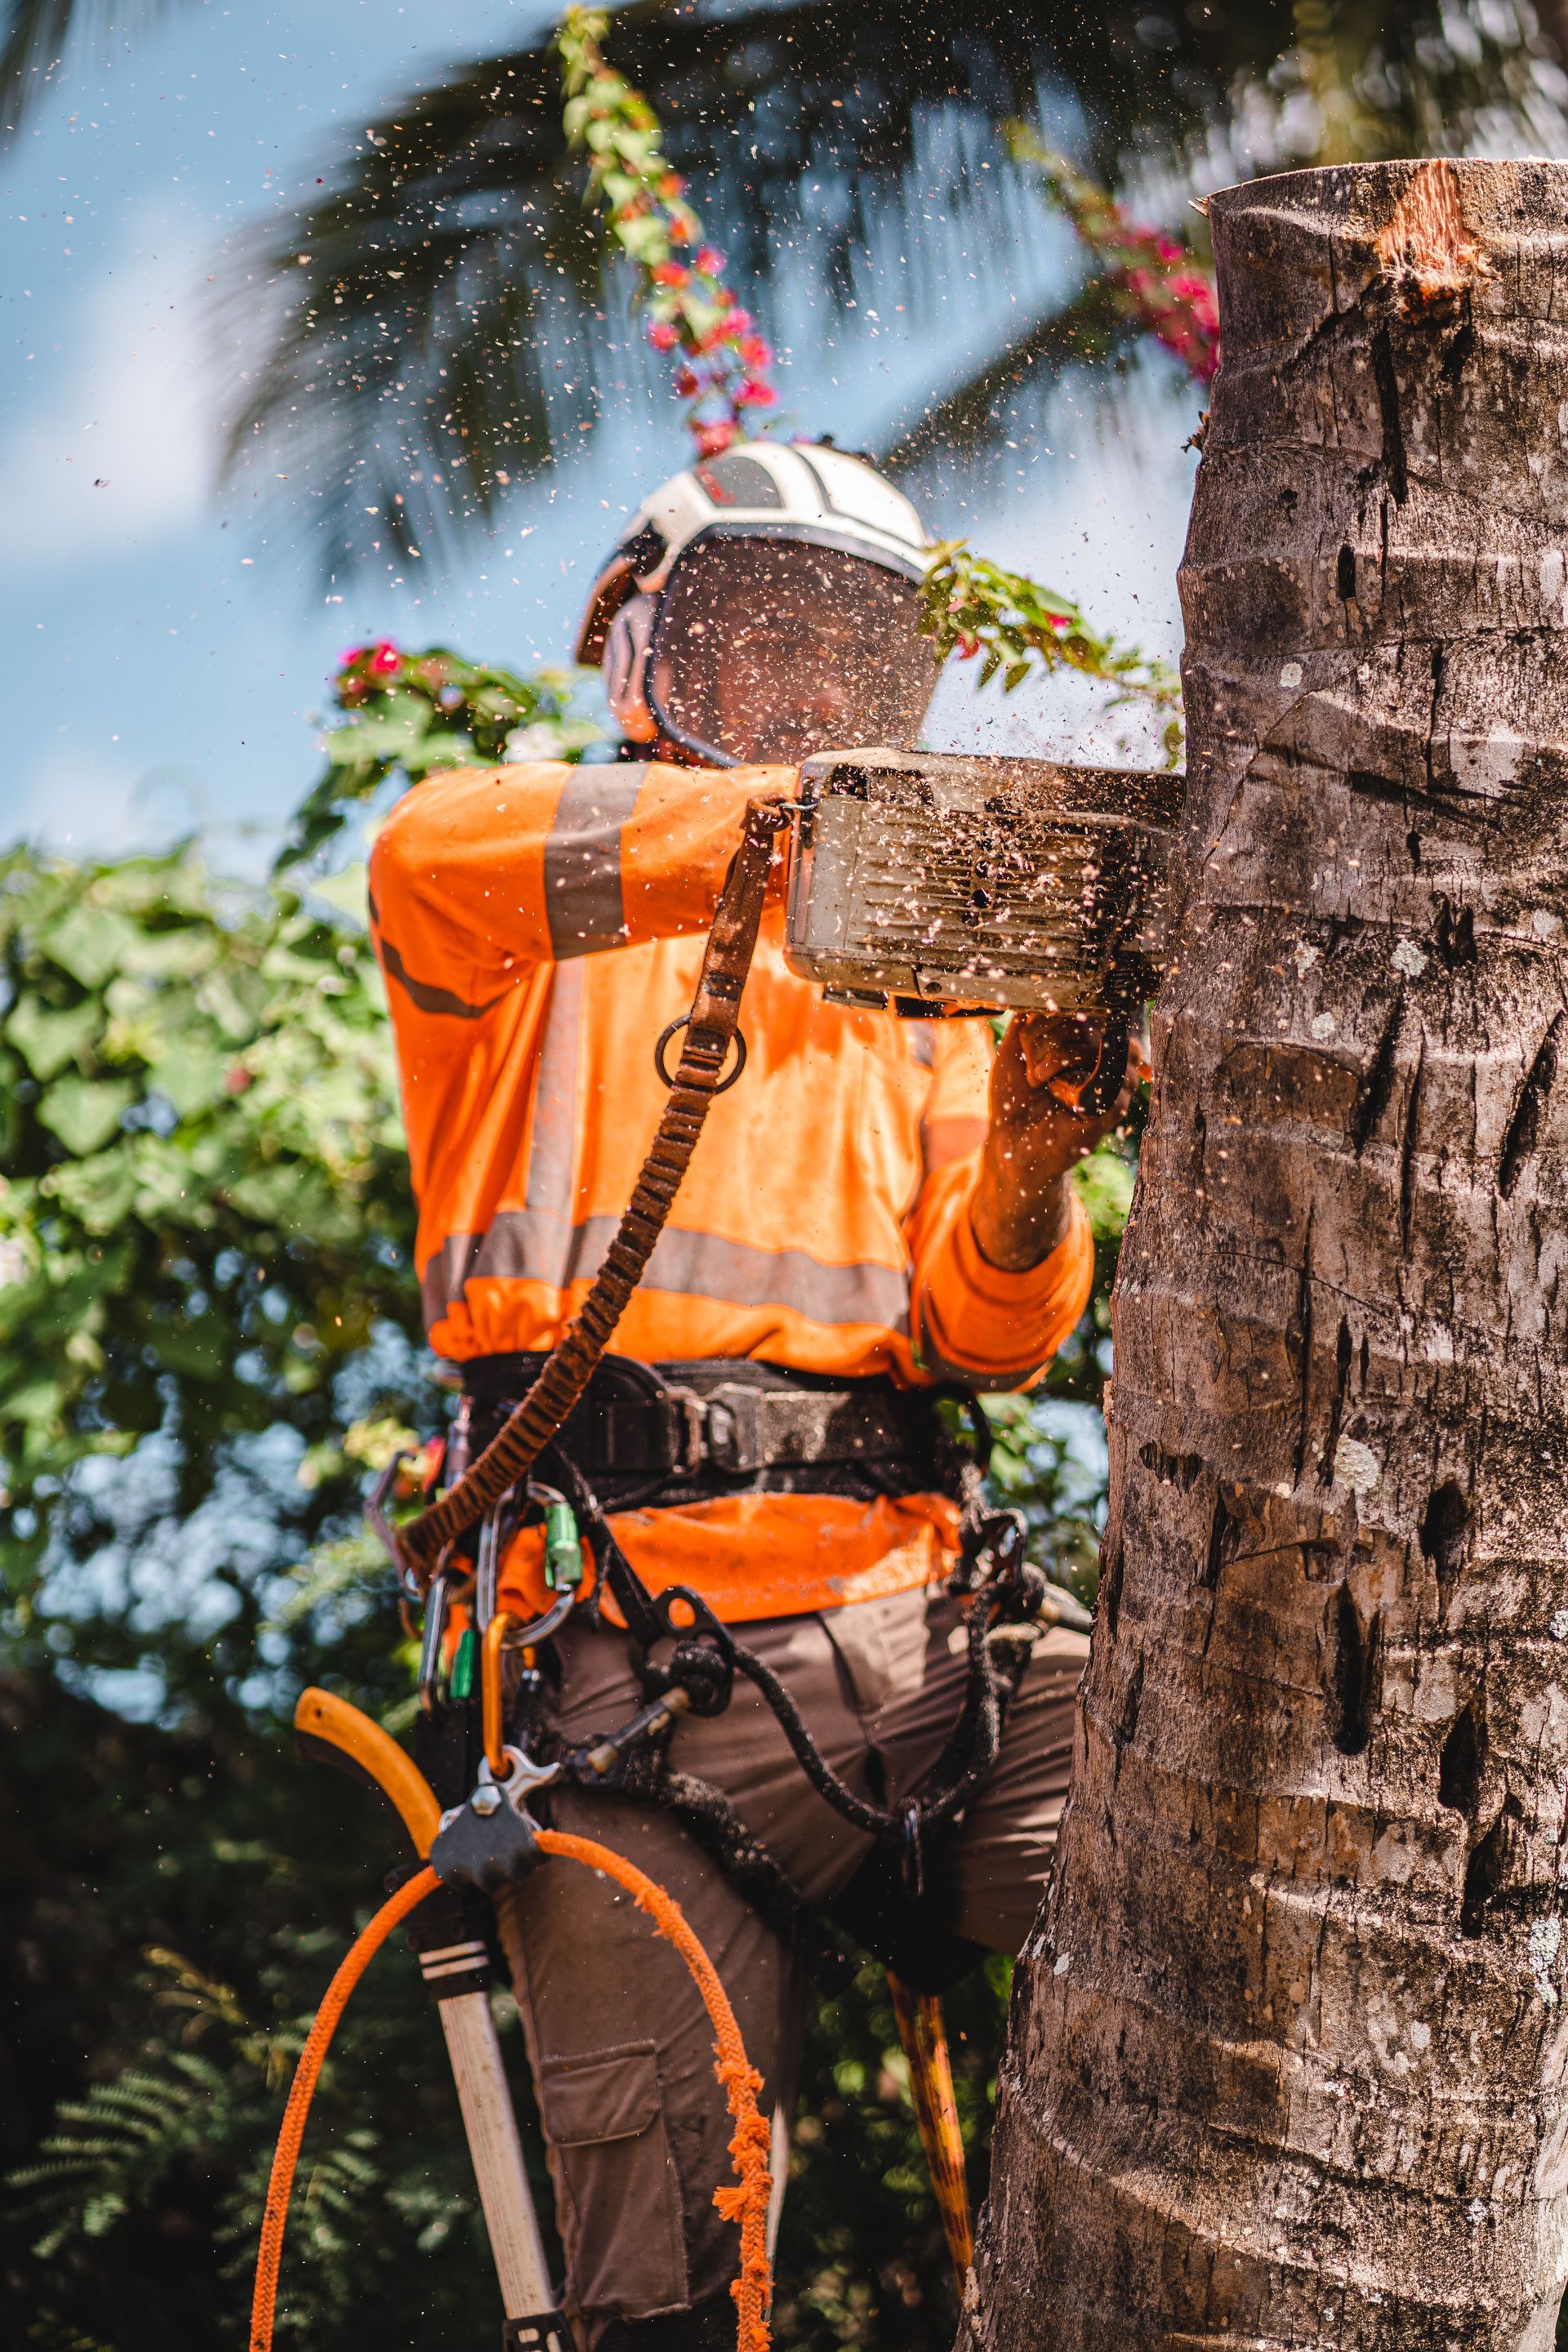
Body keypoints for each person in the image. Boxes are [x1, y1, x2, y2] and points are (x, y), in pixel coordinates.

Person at [368, 440, 1129, 2350]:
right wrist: (830, 819)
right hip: (629, 1682)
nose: (799, 693)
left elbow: (988, 1335)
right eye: (759, 644)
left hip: (932, 1631)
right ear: (642, 650)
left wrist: (1031, 1180)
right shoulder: (513, 906)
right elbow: (430, 846)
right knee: (673, 2294)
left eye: (841, 661)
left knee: (1216, 1872)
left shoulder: (926, 983)